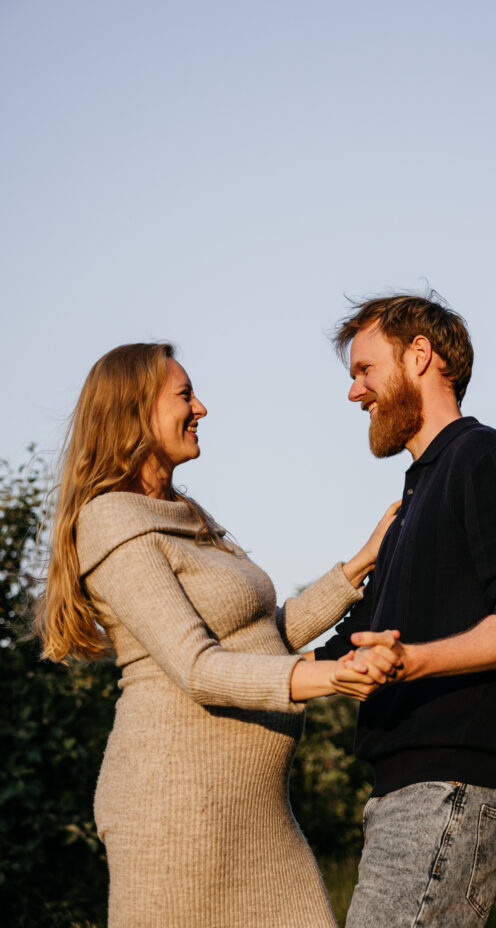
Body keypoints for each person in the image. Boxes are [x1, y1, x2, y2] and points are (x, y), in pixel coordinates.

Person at [35, 342, 398, 928]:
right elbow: (198, 667)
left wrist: (359, 565)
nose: (201, 407)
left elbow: (258, 637)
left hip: (254, 812)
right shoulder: (112, 519)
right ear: (134, 412)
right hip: (176, 815)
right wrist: (331, 676)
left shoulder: (185, 512)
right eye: (184, 395)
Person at [314, 293, 496, 928]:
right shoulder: (412, 501)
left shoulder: (484, 458)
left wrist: (414, 662)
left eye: (364, 370)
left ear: (420, 356)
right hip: (408, 790)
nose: (355, 393)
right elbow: (354, 647)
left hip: (451, 786)